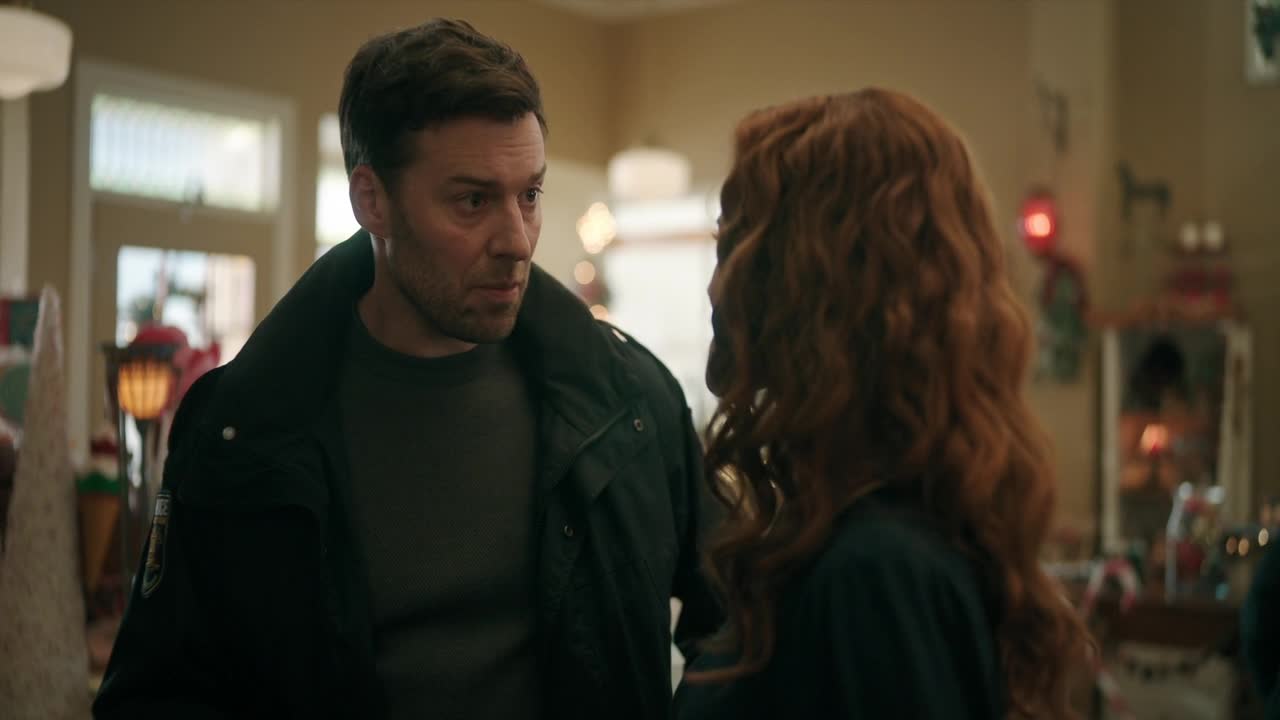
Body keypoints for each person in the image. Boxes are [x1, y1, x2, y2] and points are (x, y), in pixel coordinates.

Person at [94, 18, 718, 720]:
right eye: (473, 200)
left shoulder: (630, 404)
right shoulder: (241, 430)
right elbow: (152, 696)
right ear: (372, 202)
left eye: (530, 195)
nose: (517, 241)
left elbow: (742, 624)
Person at [673, 89, 1091, 719]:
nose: (714, 285)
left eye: (736, 242)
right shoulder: (879, 535)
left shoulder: (874, 573)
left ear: (816, 285)